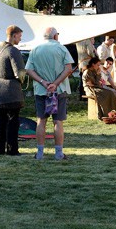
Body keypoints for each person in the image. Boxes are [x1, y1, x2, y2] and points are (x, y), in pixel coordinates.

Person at [25, 27, 74, 160]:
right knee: (58, 122)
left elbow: (29, 69)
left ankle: (40, 153)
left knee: (41, 121)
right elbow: (68, 69)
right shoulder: (61, 48)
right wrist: (56, 83)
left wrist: (43, 82)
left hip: (42, 90)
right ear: (55, 36)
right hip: (59, 90)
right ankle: (58, 153)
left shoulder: (35, 49)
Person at [0, 25, 26, 156]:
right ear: (14, 35)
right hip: (12, 89)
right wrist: (22, 81)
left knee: (0, 120)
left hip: (0, 87)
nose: (20, 39)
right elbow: (20, 73)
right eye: (20, 36)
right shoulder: (13, 51)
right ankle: (12, 150)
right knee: (13, 121)